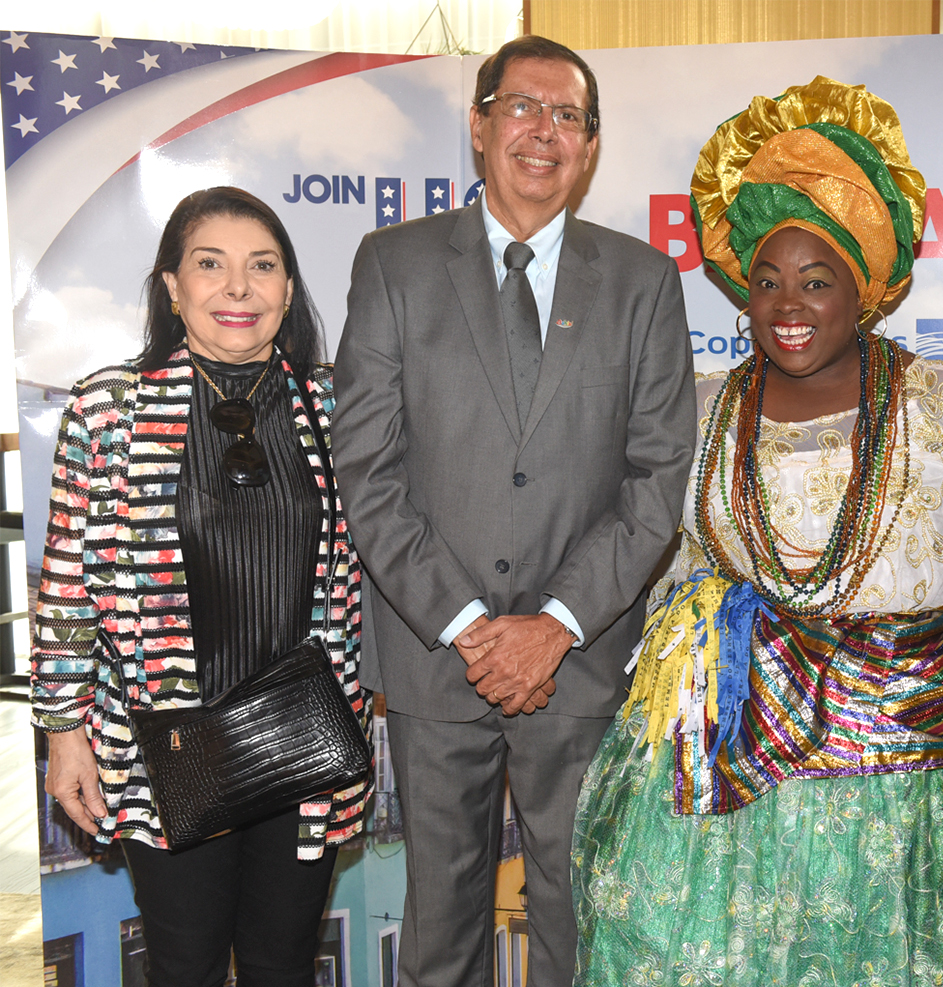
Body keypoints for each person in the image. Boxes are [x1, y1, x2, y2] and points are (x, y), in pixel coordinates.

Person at [572, 77, 943, 987]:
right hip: (732, 790)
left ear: (867, 289)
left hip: (921, 784)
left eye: (816, 279)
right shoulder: (697, 413)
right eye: (766, 280)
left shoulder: (942, 400)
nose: (787, 303)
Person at [331, 34, 695, 987]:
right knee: (442, 923)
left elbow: (657, 481)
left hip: (580, 659)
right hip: (433, 657)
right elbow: (367, 468)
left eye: (568, 116)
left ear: (592, 143)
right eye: (524, 108)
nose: (545, 131)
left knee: (581, 916)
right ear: (480, 125)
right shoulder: (394, 264)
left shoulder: (644, 283)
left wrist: (554, 626)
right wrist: (469, 628)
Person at [31, 186, 368, 986]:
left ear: (288, 289)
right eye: (209, 265)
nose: (238, 288)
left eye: (263, 266)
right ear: (172, 287)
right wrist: (63, 731)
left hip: (302, 740)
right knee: (181, 965)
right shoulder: (108, 408)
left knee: (283, 964)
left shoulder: (336, 403)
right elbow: (68, 586)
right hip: (169, 747)